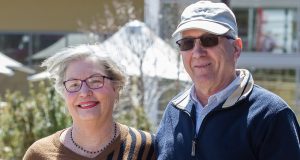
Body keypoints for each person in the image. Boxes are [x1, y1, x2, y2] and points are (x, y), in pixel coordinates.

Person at [155, 1, 300, 160]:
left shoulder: (271, 115)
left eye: (209, 40)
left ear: (236, 48)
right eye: (187, 43)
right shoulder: (173, 112)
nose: (197, 53)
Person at [23, 44, 155, 160]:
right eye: (74, 84)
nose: (85, 92)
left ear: (116, 86)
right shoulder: (39, 154)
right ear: (64, 93)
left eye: (95, 81)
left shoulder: (147, 149)